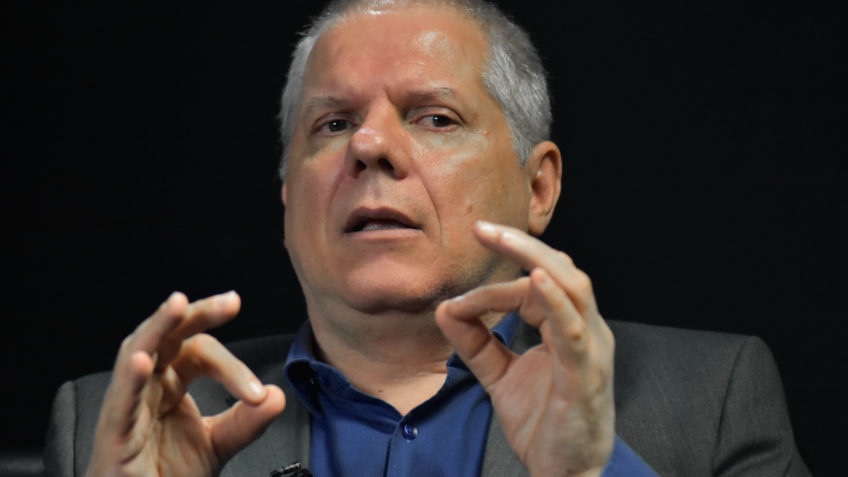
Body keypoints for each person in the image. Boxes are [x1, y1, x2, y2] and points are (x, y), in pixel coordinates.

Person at [43, 0, 810, 475]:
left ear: (538, 186)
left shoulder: (712, 399)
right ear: (287, 196)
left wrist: (588, 473)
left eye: (434, 117)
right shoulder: (114, 424)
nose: (369, 145)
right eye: (333, 123)